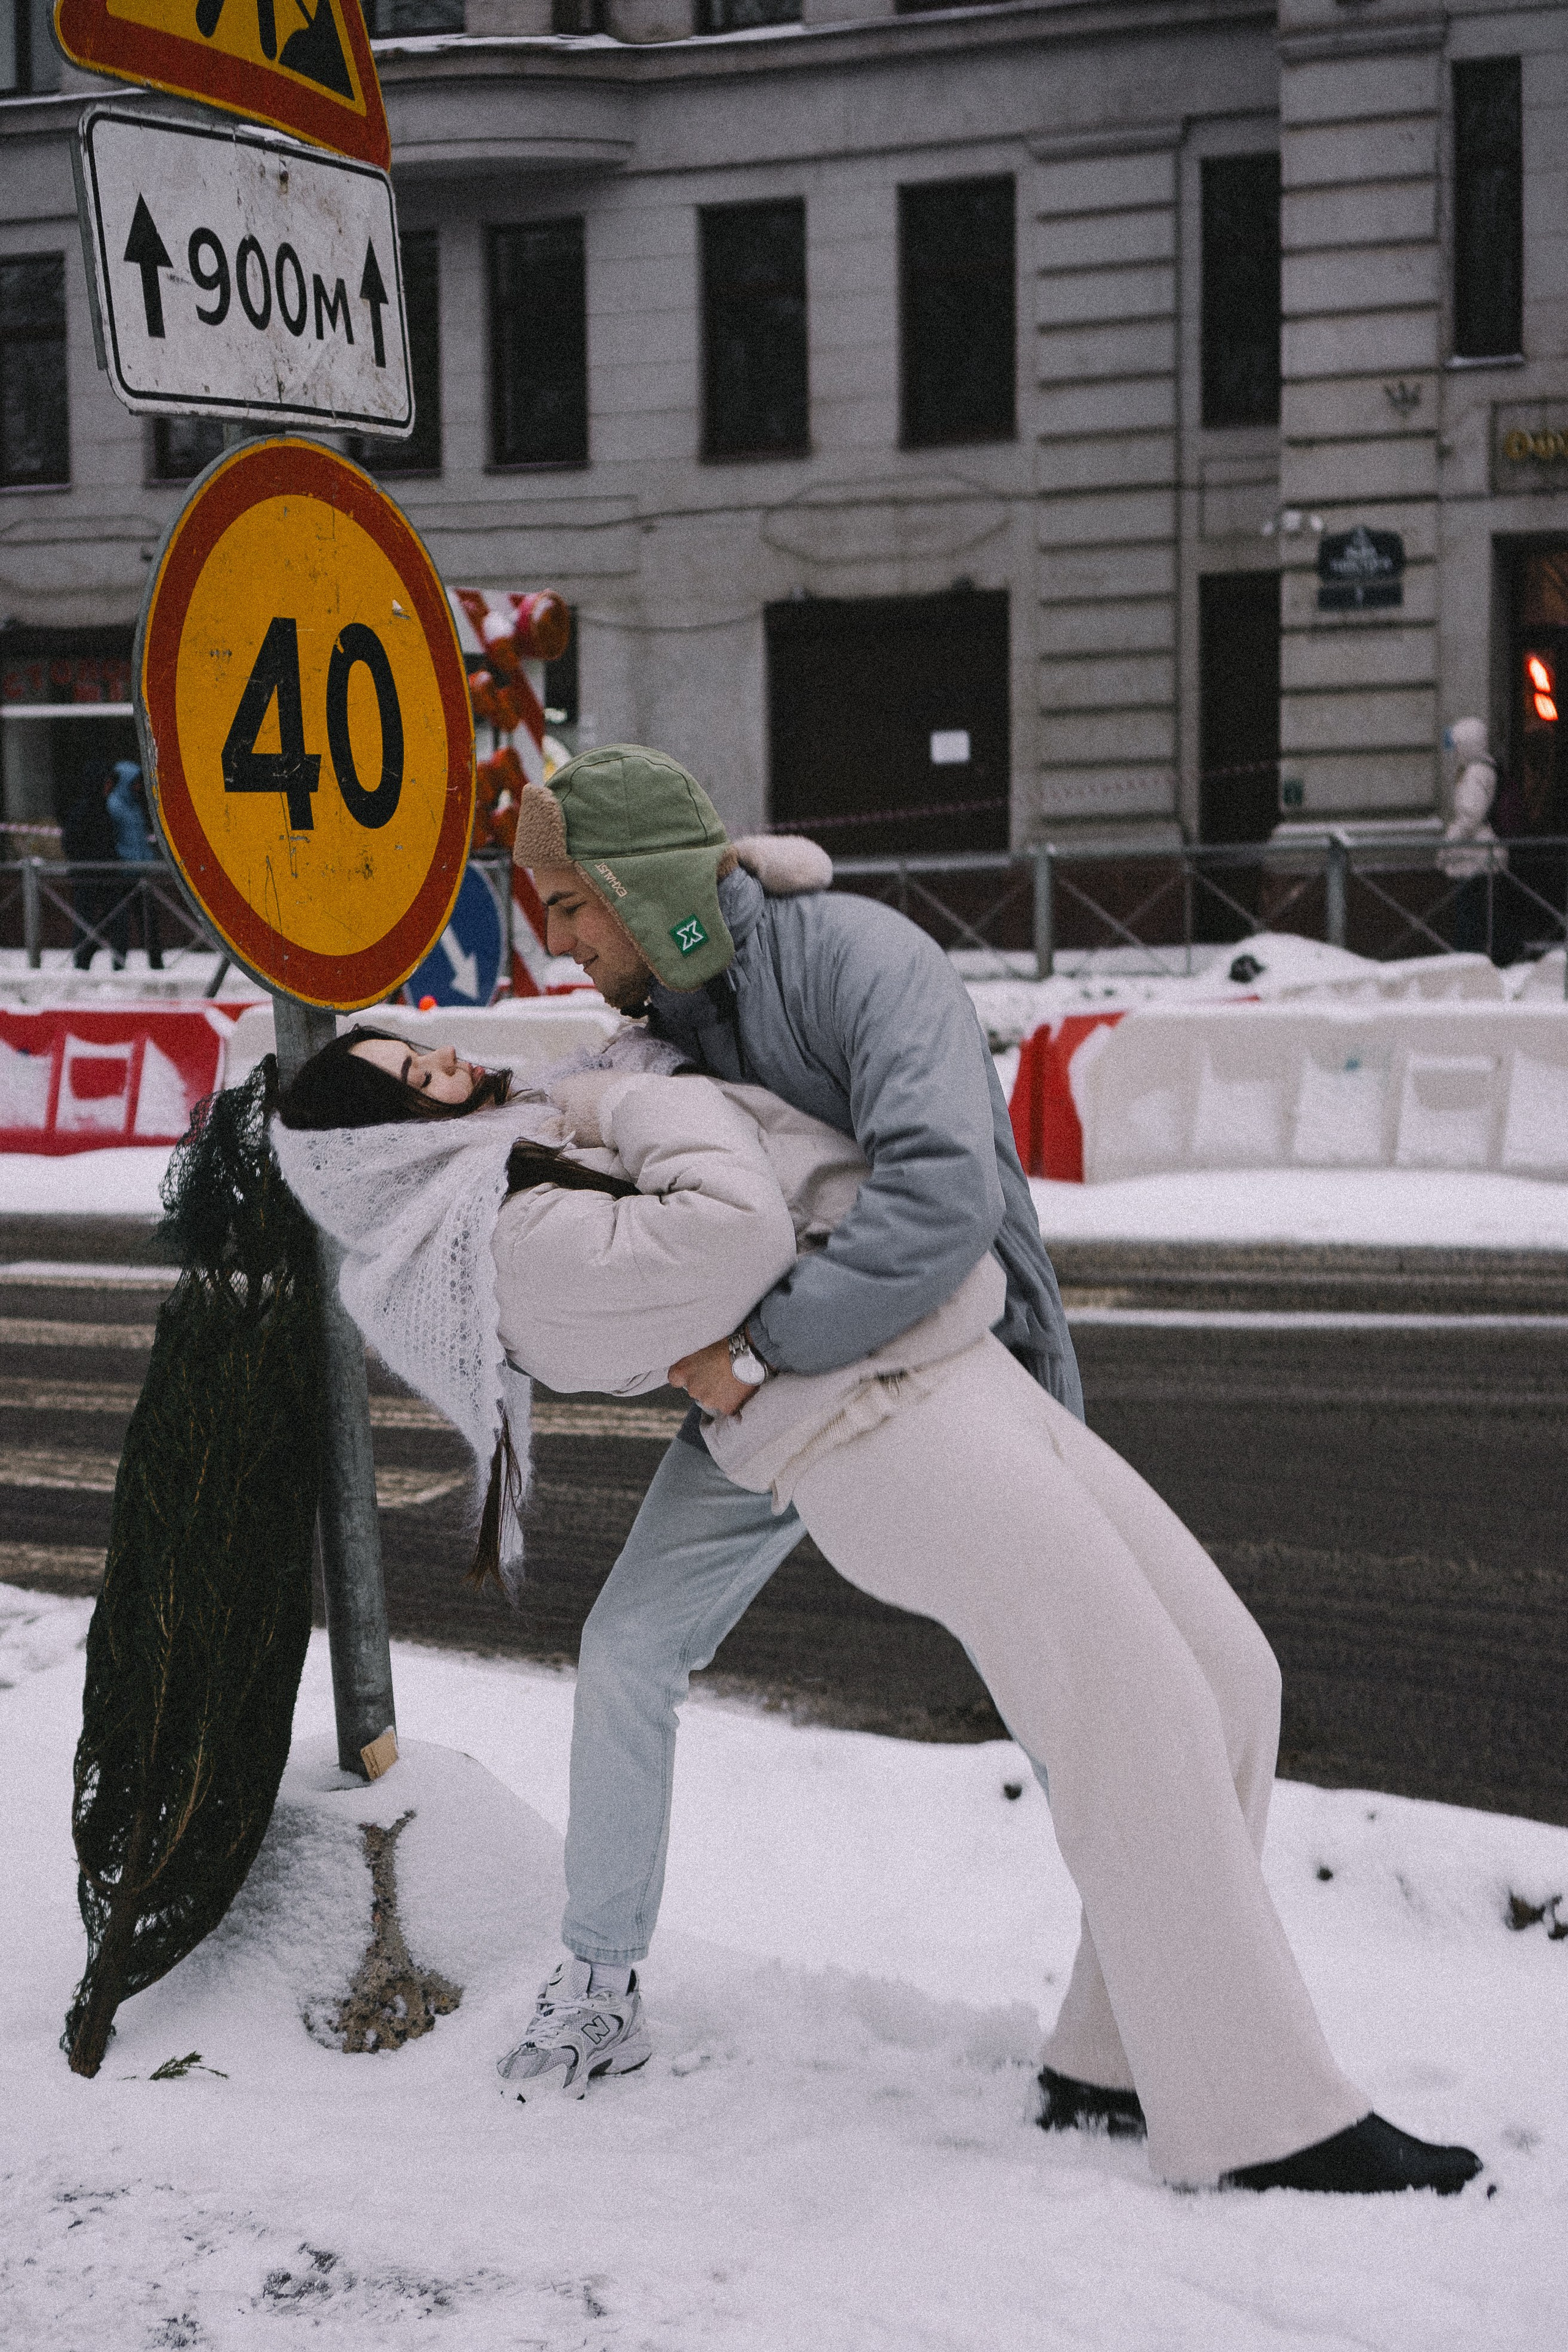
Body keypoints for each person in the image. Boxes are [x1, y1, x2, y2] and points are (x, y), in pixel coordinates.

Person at [273, 1026, 1481, 2195]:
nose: (449, 1070)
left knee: (1224, 1683)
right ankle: (1258, 2120)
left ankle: (1107, 2063)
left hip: (943, 1357)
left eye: (419, 1051)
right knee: (1135, 1711)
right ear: (387, 1153)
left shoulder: (529, 1154)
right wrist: (625, 1099)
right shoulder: (512, 1242)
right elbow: (738, 1232)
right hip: (871, 1431)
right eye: (412, 1085)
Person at [61, 763, 121, 970]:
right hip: (87, 877)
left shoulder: (105, 809)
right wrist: (89, 859)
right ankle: (82, 961)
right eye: (106, 783)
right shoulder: (83, 811)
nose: (110, 787)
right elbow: (70, 843)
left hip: (106, 876)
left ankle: (107, 959)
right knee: (86, 920)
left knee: (110, 919)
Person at [105, 758, 163, 971]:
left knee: (149, 921)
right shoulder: (115, 805)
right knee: (121, 923)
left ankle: (156, 963)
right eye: (135, 782)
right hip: (123, 872)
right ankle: (119, 965)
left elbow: (139, 837)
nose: (139, 787)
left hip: (140, 871)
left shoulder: (134, 806)